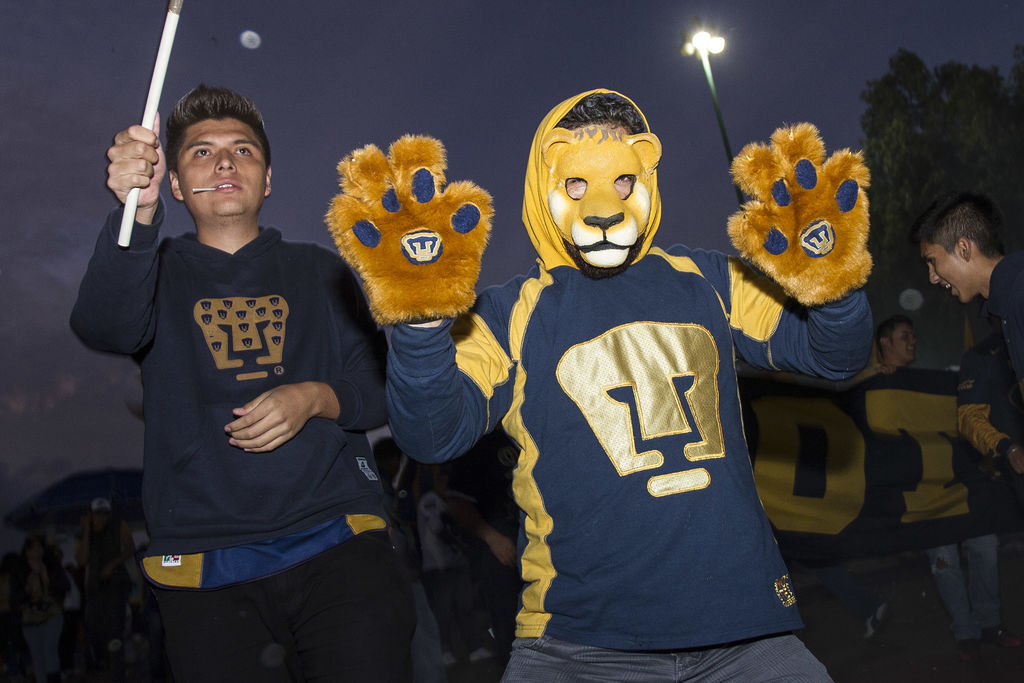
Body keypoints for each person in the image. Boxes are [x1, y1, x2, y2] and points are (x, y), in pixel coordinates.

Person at [357, 90, 874, 680]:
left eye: (622, 181)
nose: (602, 205)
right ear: (543, 185)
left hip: (745, 632)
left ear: (646, 175)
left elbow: (836, 357)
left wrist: (834, 287)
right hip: (578, 645)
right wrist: (422, 326)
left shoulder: (708, 280)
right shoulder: (504, 315)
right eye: (576, 184)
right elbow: (431, 435)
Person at [70, 84, 414, 682]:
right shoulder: (152, 272)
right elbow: (104, 325)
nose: (225, 162)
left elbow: (382, 390)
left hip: (338, 542)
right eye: (201, 152)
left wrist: (315, 397)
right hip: (204, 566)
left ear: (268, 180)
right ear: (175, 185)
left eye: (243, 150)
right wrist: (137, 215)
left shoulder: (321, 269)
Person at [876, 315, 1021, 661]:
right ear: (885, 343)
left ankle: (990, 624)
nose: (913, 341)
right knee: (945, 562)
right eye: (905, 336)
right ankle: (966, 632)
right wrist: (872, 377)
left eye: (914, 335)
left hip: (962, 487)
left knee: (985, 549)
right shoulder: (874, 385)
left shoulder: (931, 383)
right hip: (925, 495)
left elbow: (967, 414)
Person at [912, 191, 1024, 396]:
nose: (933, 278)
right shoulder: (1009, 304)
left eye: (932, 261)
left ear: (964, 249)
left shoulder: (1019, 296)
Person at [443, 429, 522, 666]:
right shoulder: (477, 444)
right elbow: (456, 502)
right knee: (510, 630)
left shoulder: (524, 433)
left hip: (538, 548)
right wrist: (493, 538)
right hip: (502, 553)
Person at [75, 497, 134, 681]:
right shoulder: (83, 533)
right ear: (91, 515)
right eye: (97, 513)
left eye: (105, 513)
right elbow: (81, 560)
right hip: (94, 590)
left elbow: (130, 548)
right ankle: (104, 665)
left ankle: (118, 675)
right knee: (94, 628)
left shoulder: (119, 525)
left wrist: (112, 565)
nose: (101, 517)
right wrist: (86, 531)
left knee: (115, 632)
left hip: (116, 586)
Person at [12, 534, 69, 683]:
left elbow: (64, 587)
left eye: (40, 546)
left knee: (49, 650)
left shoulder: (51, 565)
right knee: (37, 656)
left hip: (52, 614)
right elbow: (15, 597)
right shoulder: (20, 570)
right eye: (33, 547)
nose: (37, 550)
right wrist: (27, 590)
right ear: (27, 550)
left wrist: (47, 579)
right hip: (30, 618)